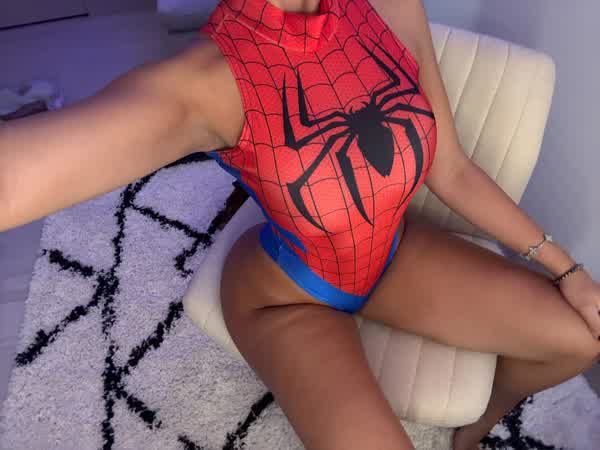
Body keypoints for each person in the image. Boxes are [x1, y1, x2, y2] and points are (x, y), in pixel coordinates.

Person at [1, 0, 599, 448]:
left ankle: (474, 429)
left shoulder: (391, 5)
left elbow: (453, 170)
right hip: (288, 296)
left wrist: (567, 269)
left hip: (392, 251)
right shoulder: (203, 82)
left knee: (578, 339)